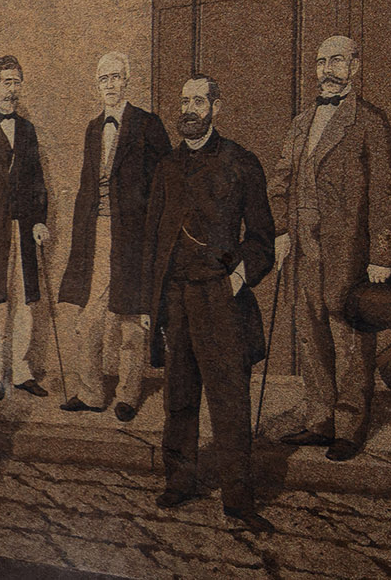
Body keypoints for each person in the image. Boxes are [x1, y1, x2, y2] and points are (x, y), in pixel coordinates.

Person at [269, 30, 391, 457]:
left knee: (349, 337)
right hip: (302, 248)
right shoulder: (300, 122)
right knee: (310, 332)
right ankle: (318, 419)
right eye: (321, 62)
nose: (327, 71)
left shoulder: (369, 120)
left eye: (337, 61)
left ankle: (349, 425)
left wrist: (382, 255)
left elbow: (386, 191)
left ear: (355, 67)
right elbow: (280, 182)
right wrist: (281, 231)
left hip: (346, 251)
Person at [151, 73, 276, 524]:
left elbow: (262, 239)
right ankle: (179, 482)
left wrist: (238, 277)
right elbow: (153, 240)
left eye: (198, 102)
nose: (189, 110)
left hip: (221, 300)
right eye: (184, 101)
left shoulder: (242, 162)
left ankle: (238, 501)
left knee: (230, 402)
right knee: (179, 397)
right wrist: (153, 304)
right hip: (177, 298)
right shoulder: (166, 166)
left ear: (216, 108)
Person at [62, 53, 162, 420]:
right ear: (97, 84)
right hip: (96, 234)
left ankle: (128, 395)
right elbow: (87, 185)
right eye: (104, 79)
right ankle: (90, 393)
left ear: (127, 81)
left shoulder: (147, 124)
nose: (110, 85)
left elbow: (164, 182)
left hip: (133, 236)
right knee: (90, 317)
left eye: (116, 77)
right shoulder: (93, 128)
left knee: (130, 318)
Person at [0, 55, 55, 398]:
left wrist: (40, 221)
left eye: (17, 83)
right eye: (7, 83)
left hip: (24, 230)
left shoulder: (28, 131)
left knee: (24, 304)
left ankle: (20, 371)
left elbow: (38, 183)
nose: (13, 90)